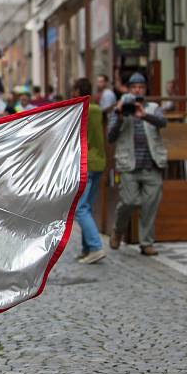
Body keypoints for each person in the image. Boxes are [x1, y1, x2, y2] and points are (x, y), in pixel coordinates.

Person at [107, 72, 167, 256]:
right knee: (129, 201)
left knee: (150, 204)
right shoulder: (120, 109)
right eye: (134, 87)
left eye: (140, 87)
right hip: (128, 165)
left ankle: (146, 243)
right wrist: (119, 116)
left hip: (152, 163)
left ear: (145, 89)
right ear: (128, 89)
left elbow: (162, 123)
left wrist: (144, 116)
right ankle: (118, 230)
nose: (137, 90)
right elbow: (110, 137)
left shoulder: (154, 107)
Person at [71, 78, 106, 264]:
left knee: (80, 208)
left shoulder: (83, 110)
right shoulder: (97, 109)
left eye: (73, 91)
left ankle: (95, 247)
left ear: (78, 91)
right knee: (87, 207)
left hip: (87, 162)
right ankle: (87, 249)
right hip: (99, 161)